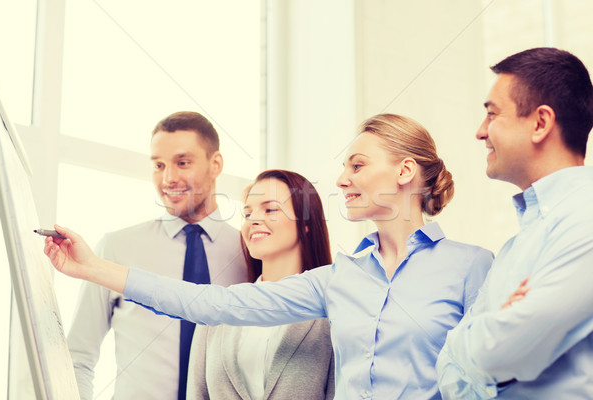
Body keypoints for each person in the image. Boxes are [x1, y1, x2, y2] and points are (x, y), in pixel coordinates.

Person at [45, 113, 493, 399]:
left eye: (356, 166)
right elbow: (213, 305)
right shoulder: (340, 279)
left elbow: (490, 378)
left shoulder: (472, 267)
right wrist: (93, 267)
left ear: (404, 172)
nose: (341, 179)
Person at [436, 47, 593, 399]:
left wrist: (475, 338)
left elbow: (505, 351)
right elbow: (445, 369)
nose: (480, 132)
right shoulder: (514, 247)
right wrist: (487, 336)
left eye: (492, 115)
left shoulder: (587, 219)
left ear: (540, 123)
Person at [66, 111, 247, 400]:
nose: (169, 178)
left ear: (216, 165)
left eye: (182, 163)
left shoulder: (248, 253)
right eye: (159, 165)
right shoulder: (116, 248)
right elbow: (78, 356)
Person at [188, 169, 335, 399]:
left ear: (306, 223)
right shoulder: (216, 312)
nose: (253, 220)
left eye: (270, 209)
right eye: (247, 214)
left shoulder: (333, 315)